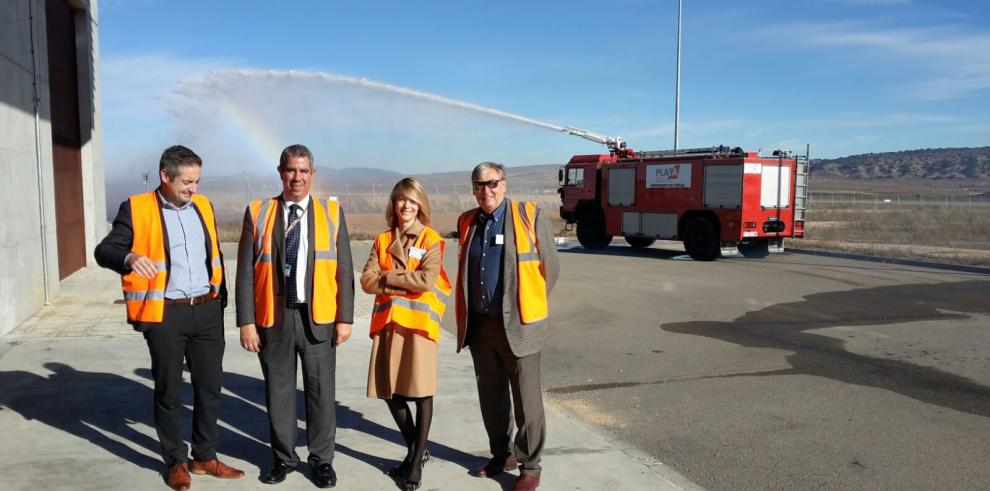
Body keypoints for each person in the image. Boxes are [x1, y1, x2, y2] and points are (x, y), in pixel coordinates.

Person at [95, 145, 244, 491]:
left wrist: (219, 298)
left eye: (197, 181)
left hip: (207, 310)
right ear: (165, 176)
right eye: (187, 182)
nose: (194, 189)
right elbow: (105, 250)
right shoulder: (136, 208)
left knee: (209, 388)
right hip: (166, 314)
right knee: (169, 391)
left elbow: (214, 252)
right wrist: (130, 257)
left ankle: (205, 456)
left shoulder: (203, 206)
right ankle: (176, 461)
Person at [236, 144, 354, 488]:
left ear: (312, 174)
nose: (297, 177)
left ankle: (322, 461)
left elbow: (343, 270)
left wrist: (345, 317)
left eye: (304, 171)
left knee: (320, 392)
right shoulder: (258, 212)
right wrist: (246, 321)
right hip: (274, 317)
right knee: (279, 392)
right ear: (280, 172)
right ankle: (284, 457)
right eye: (291, 170)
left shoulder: (331, 213)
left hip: (317, 318)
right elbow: (244, 271)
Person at [454, 162, 559, 491]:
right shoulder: (468, 221)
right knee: (491, 397)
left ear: (504, 184)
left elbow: (551, 268)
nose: (486, 190)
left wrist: (528, 306)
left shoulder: (528, 215)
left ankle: (530, 465)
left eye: (491, 183)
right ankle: (502, 455)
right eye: (478, 185)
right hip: (481, 326)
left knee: (527, 399)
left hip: (519, 324)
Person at [360, 178, 451, 491]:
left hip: (418, 327)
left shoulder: (431, 239)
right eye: (401, 200)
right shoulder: (383, 238)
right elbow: (367, 281)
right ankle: (417, 449)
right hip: (389, 326)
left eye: (412, 201)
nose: (406, 206)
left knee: (421, 393)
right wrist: (400, 280)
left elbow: (426, 280)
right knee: (390, 392)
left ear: (421, 205)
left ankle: (414, 464)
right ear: (393, 203)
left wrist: (389, 276)